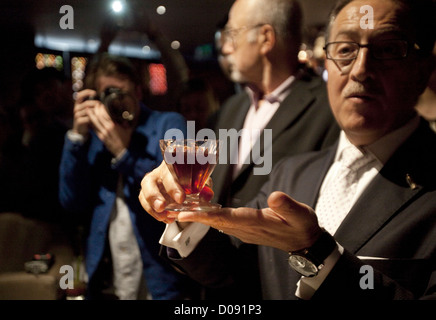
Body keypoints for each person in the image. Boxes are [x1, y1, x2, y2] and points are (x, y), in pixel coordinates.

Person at [138, 0, 436, 300]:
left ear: (423, 69)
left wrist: (321, 256)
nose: (360, 70)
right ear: (329, 62)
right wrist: (185, 208)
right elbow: (235, 264)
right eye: (345, 50)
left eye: (388, 49)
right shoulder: (291, 170)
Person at [58, 53, 196, 300]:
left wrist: (123, 153)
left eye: (123, 93)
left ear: (139, 93)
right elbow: (71, 202)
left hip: (160, 276)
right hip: (106, 277)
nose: (117, 102)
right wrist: (77, 138)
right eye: (109, 93)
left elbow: (179, 194)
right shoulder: (93, 138)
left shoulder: (168, 123)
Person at [208, 0, 340, 210]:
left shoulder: (329, 109)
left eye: (232, 34)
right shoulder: (231, 108)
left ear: (266, 38)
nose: (225, 47)